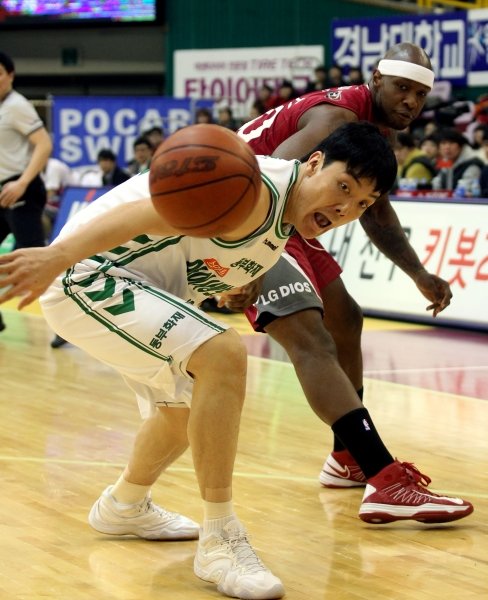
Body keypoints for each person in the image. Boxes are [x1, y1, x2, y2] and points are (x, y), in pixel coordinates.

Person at [0, 122, 402, 599]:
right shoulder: (253, 189)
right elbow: (146, 212)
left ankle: (124, 505)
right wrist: (57, 255)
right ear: (314, 163)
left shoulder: (283, 210)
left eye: (362, 204)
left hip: (143, 283)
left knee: (185, 411)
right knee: (222, 352)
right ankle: (221, 540)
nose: (344, 209)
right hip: (89, 273)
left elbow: (217, 247)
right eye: (344, 187)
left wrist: (240, 283)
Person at [236, 43, 471, 518]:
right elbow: (268, 178)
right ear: (377, 80)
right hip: (249, 214)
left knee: (346, 320)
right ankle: (385, 477)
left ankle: (347, 458)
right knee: (312, 339)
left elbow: (376, 212)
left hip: (289, 216)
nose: (411, 101)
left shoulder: (371, 128)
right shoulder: (336, 119)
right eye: (402, 88)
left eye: (420, 95)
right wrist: (251, 258)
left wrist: (418, 273)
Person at [0, 50, 52, 333]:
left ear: (10, 75)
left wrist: (21, 183)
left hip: (22, 189)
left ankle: (63, 327)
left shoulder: (17, 106)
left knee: (37, 261)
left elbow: (44, 144)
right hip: (3, 191)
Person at [431, 128, 484, 194]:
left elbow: (464, 192)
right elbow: (437, 188)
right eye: (443, 143)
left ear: (460, 146)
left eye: (452, 143)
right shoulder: (444, 162)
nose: (447, 147)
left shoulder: (472, 165)